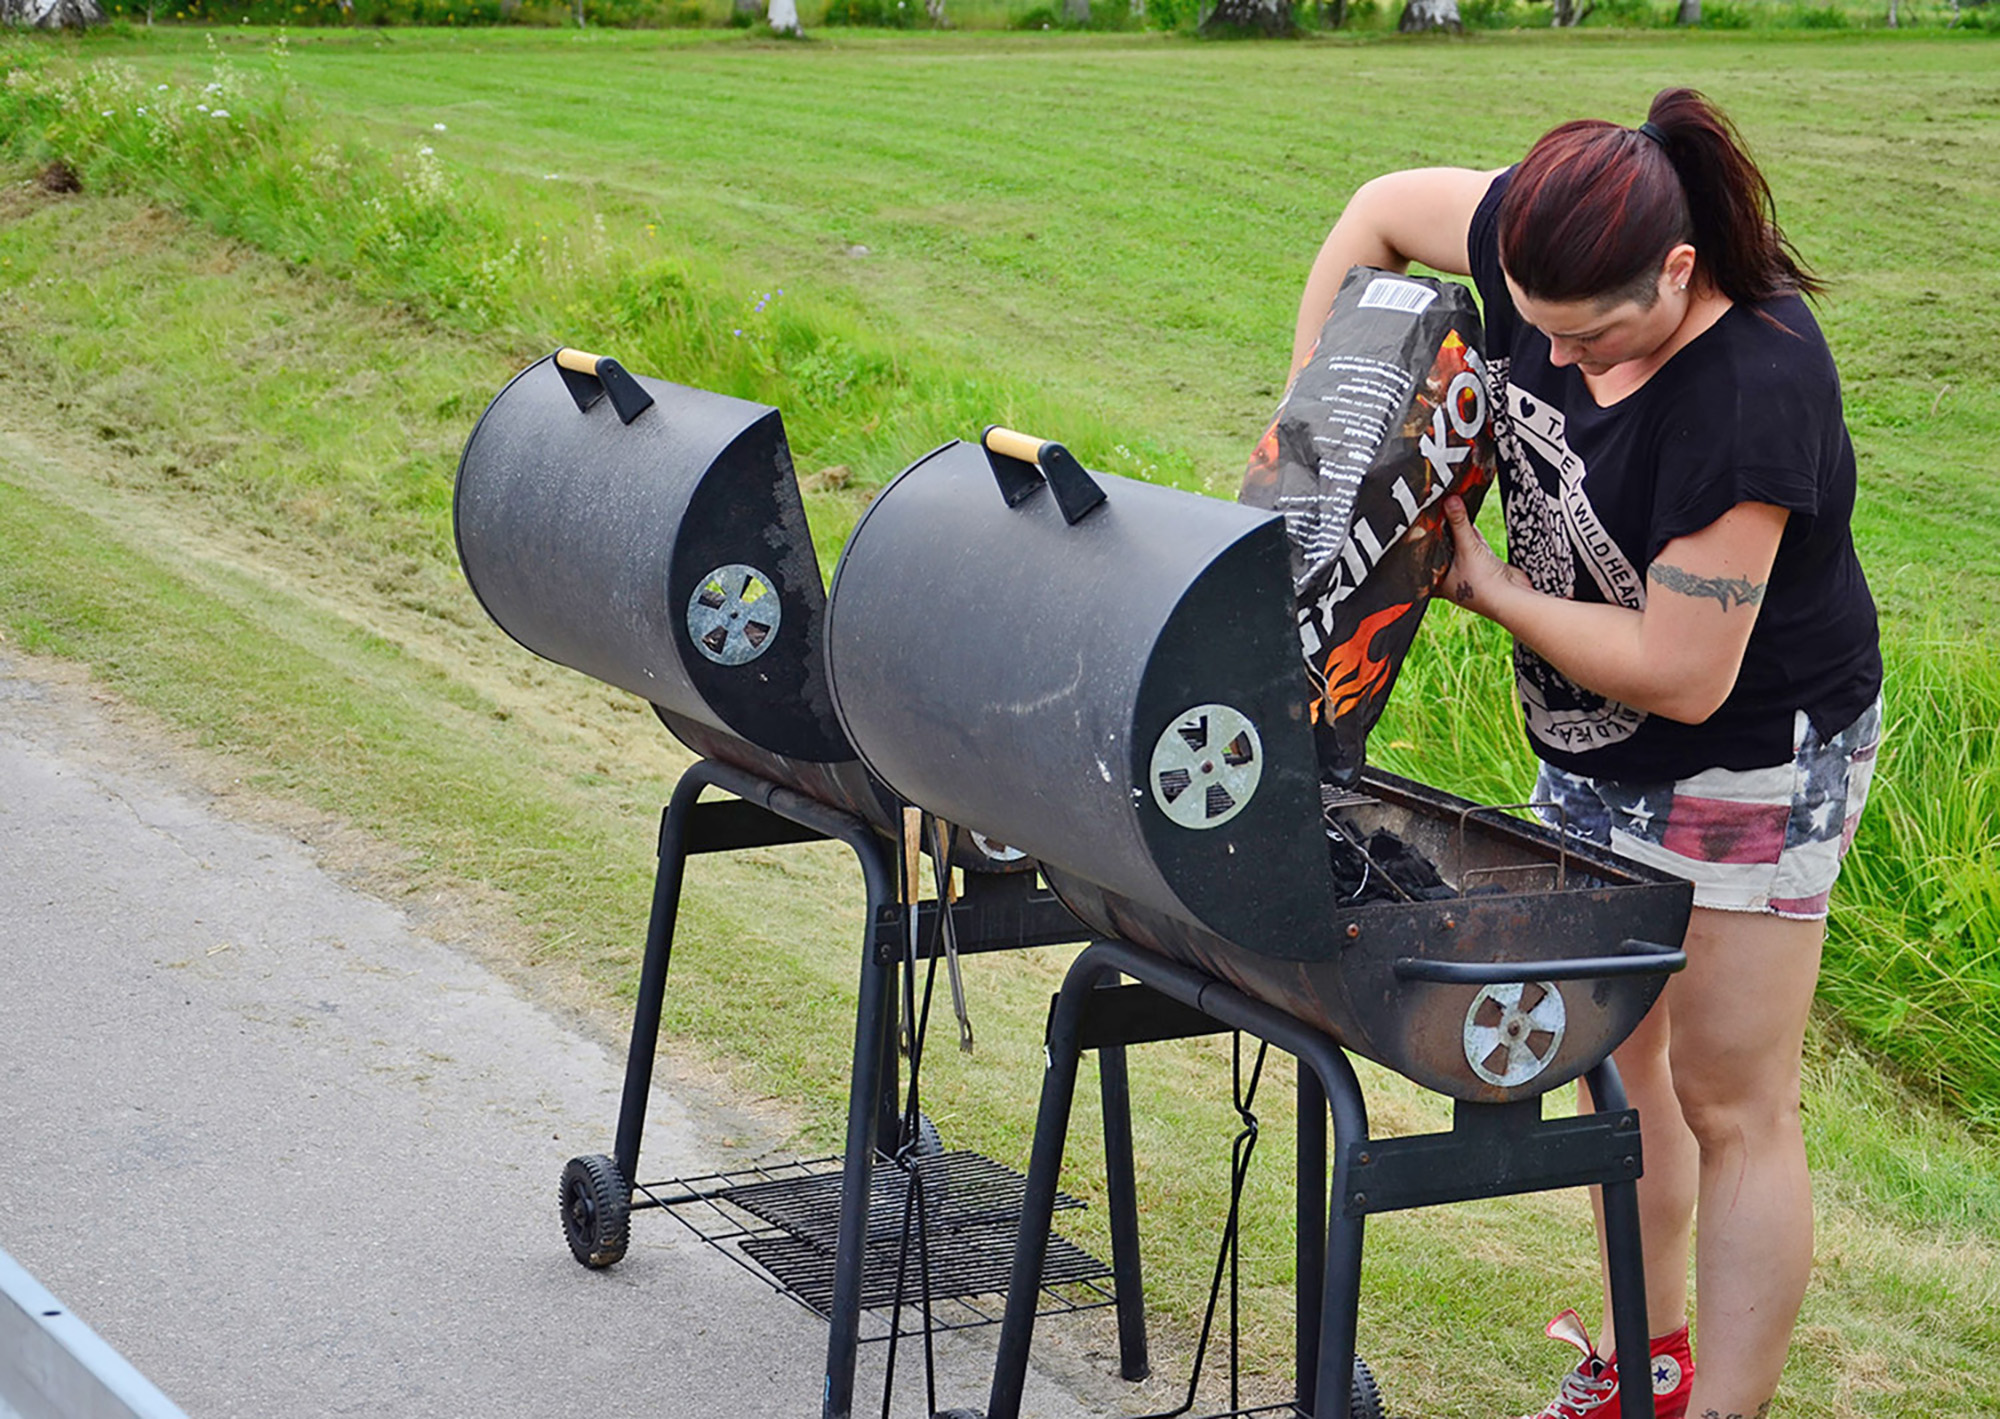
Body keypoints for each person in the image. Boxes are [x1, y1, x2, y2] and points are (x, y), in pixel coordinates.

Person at [1289, 88, 1883, 1419]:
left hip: (1750, 761)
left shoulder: (1757, 387)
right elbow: (1378, 211)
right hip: (1588, 736)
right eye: (1542, 336)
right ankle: (1646, 1360)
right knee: (1622, 1061)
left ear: (1677, 272)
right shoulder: (1541, 238)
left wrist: (1486, 586)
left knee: (1732, 1099)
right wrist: (1323, 428)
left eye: (1602, 338)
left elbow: (1684, 673)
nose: (1575, 366)